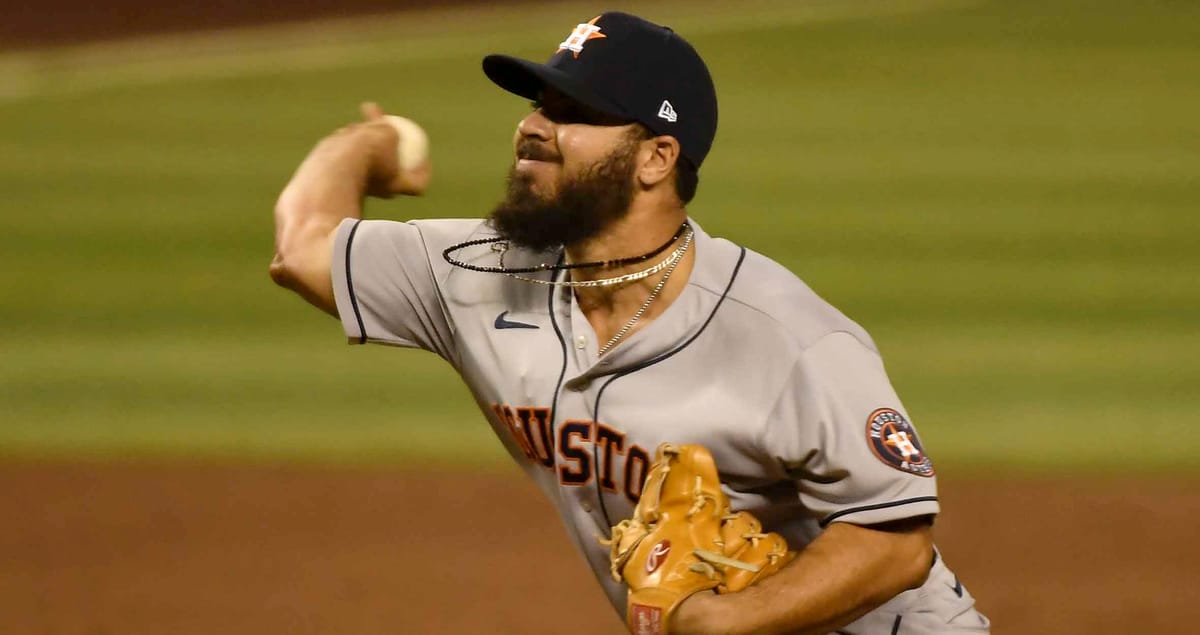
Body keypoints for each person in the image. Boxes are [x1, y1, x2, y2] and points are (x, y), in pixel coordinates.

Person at [270, 11, 990, 635]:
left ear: (656, 158)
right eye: (539, 104)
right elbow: (303, 247)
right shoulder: (479, 272)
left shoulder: (787, 335)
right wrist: (366, 147)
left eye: (574, 112)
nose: (533, 127)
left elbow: (898, 541)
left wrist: (728, 619)